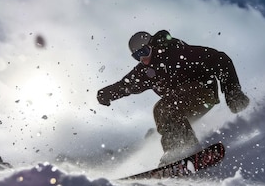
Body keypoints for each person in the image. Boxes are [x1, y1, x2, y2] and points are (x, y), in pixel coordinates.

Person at [97, 30, 250, 165]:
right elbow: (126, 85)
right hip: (182, 104)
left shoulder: (178, 53)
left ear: (152, 46)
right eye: (137, 56)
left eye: (144, 52)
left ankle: (182, 149)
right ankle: (180, 152)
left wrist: (232, 91)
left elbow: (220, 59)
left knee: (163, 107)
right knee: (162, 120)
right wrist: (108, 94)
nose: (142, 59)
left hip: (202, 91)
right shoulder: (144, 71)